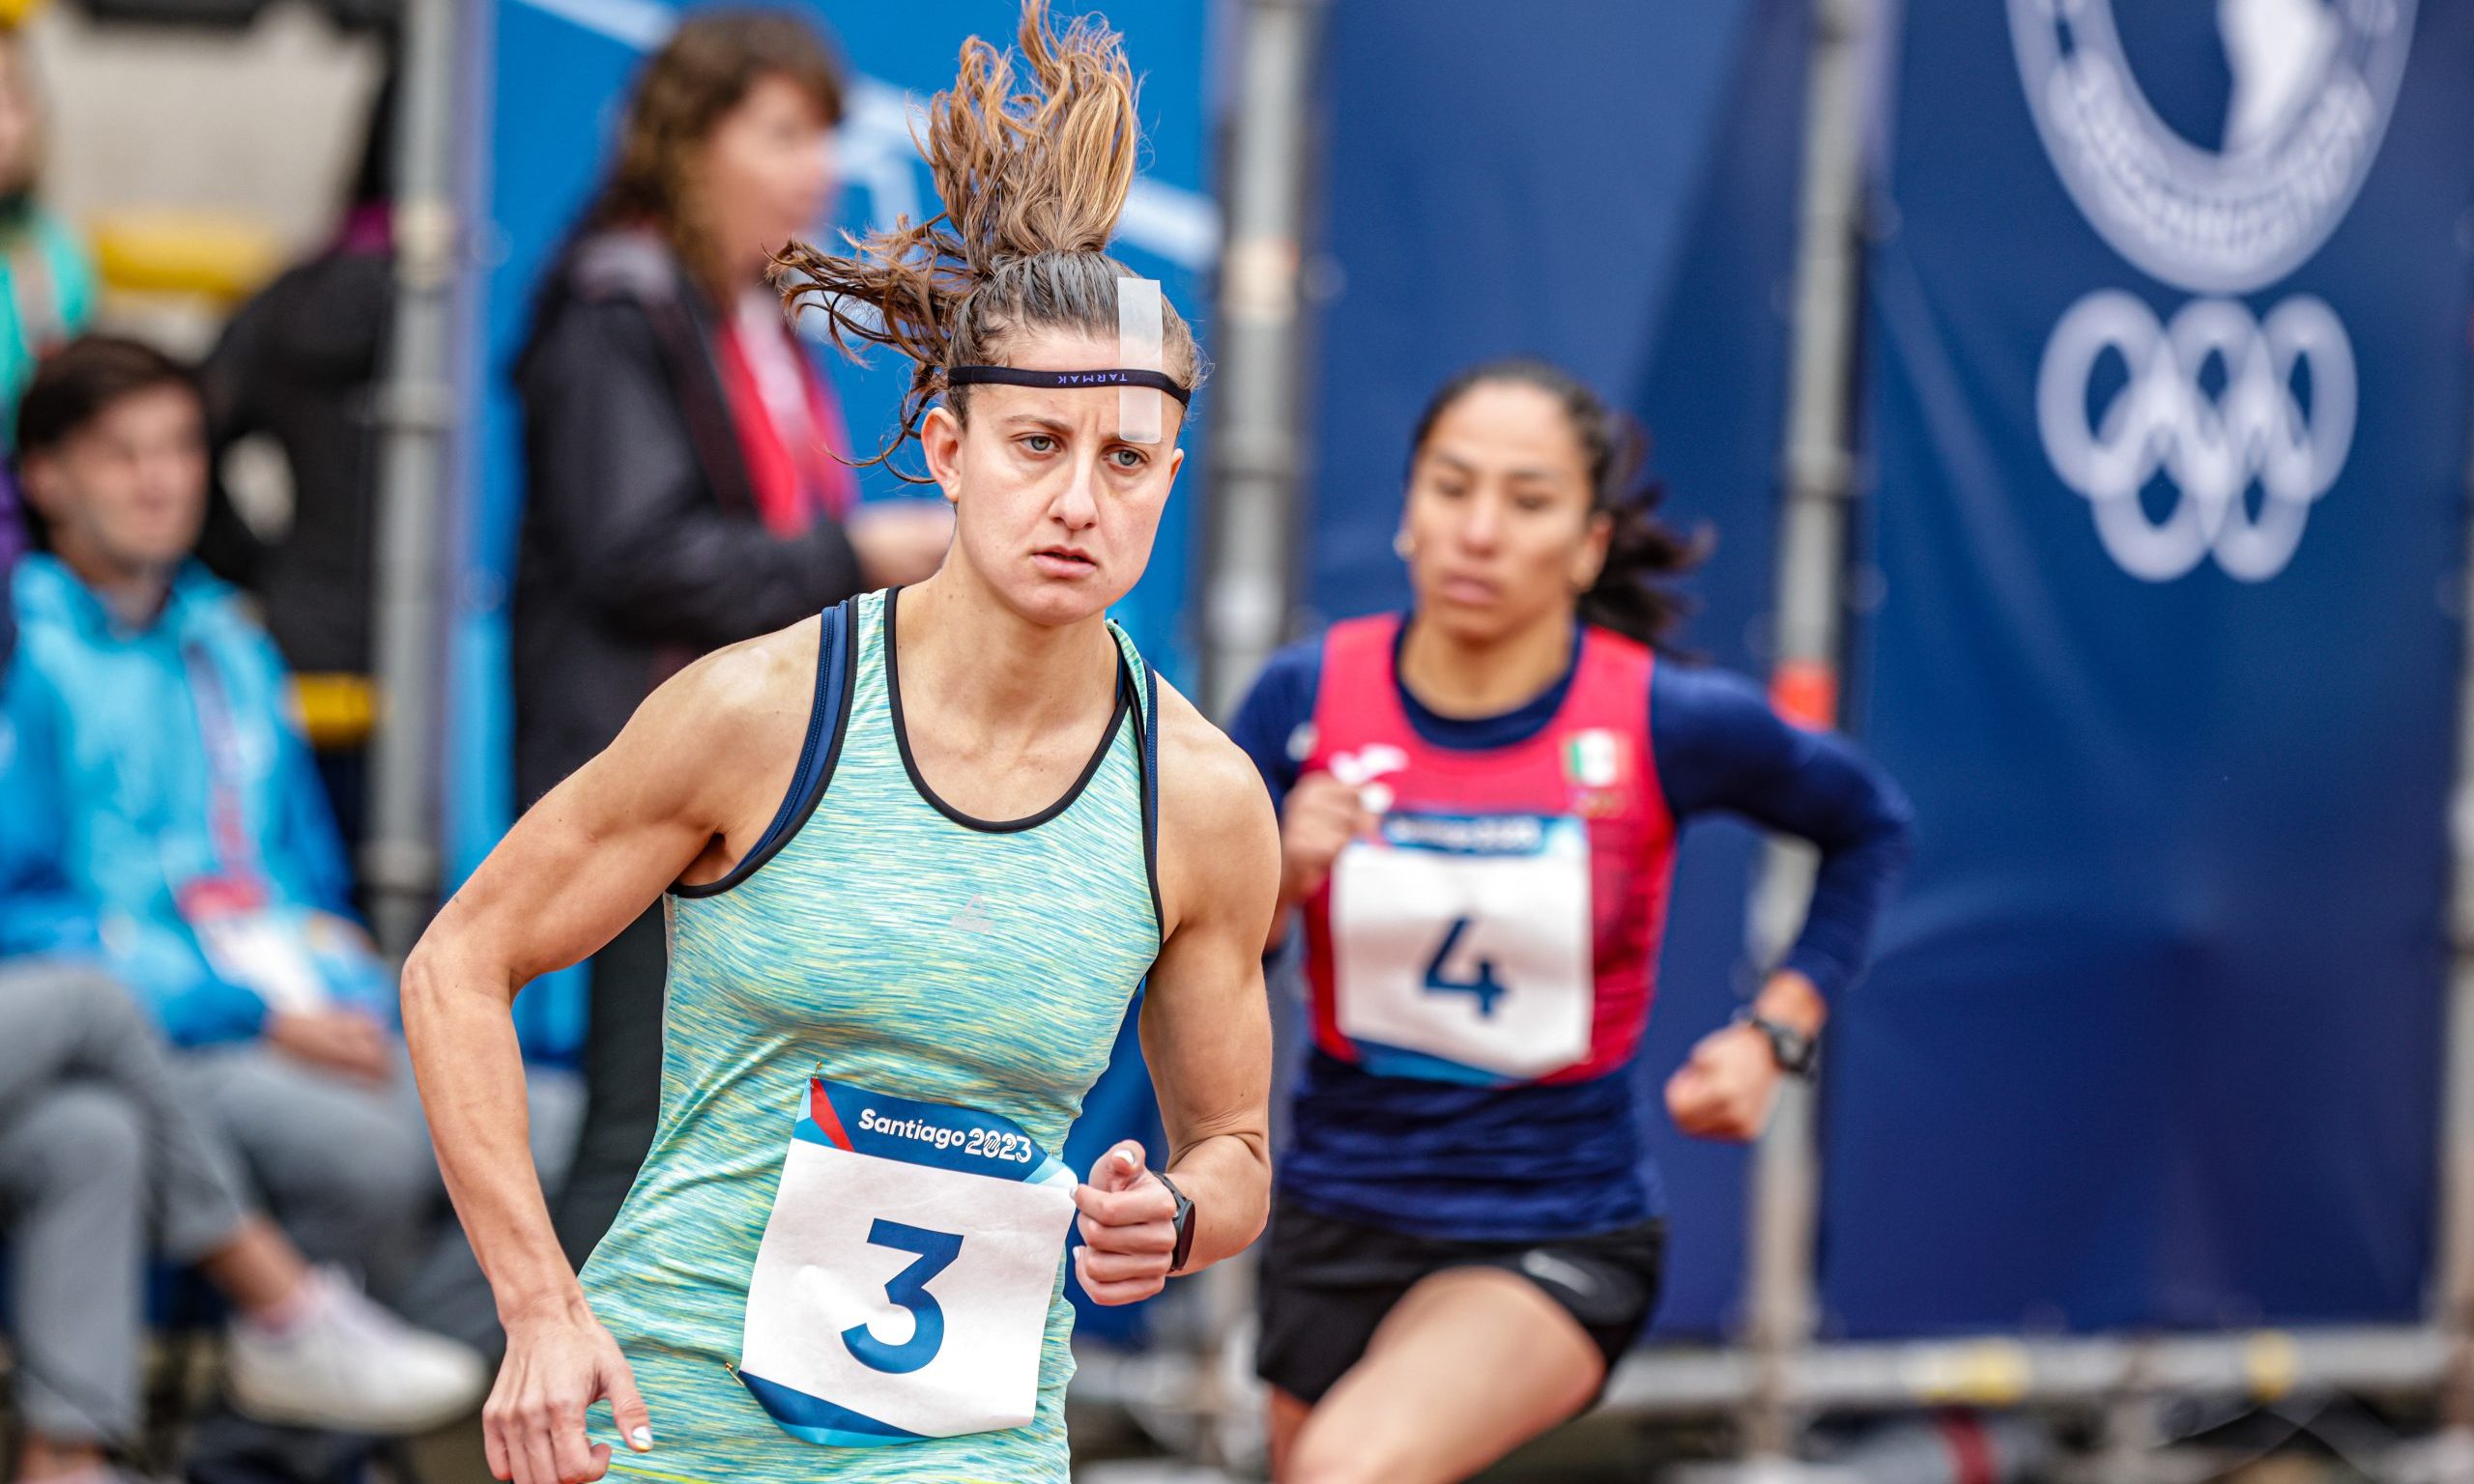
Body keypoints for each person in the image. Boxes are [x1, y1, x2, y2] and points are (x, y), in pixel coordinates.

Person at [405, 7, 1276, 1484]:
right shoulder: (763, 710)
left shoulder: (1195, 797)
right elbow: (456, 967)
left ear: (1172, 479)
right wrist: (541, 1306)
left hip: (966, 1442)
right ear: (943, 448)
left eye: (1125, 460)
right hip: (668, 1414)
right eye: (1035, 447)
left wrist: (1175, 1216)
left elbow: (1236, 1149)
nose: (1078, 501)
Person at [1230, 358, 1913, 1484]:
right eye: (1451, 489)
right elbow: (1200, 946)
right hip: (1334, 1217)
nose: (1481, 531)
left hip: (1551, 1220)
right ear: (1407, 512)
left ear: (1589, 544)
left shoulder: (1663, 717)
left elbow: (1867, 826)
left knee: (1348, 1472)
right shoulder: (1303, 700)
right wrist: (1274, 877)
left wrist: (1775, 1033)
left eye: (1529, 500)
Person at [512, 8, 954, 1262]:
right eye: (781, 134)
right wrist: (855, 553)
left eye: (823, 134)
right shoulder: (620, 310)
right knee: (642, 1134)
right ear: (685, 144)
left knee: (725, 1136)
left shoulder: (742, 308)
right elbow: (635, 556)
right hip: (651, 780)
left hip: (749, 784)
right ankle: (568, 1420)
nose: (817, 167)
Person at [0, 335, 474, 1314]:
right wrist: (254, 1014)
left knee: (562, 1127)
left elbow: (304, 878)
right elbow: (32, 923)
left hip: (292, 1006)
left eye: (179, 448)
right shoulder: (23, 649)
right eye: (121, 453)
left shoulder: (232, 637)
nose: (159, 480)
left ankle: (377, 1394)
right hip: (171, 1034)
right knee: (374, 1159)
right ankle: (270, 1446)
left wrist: (350, 1001)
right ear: (43, 477)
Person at [0, 960, 486, 1484]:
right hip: (209, 1035)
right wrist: (254, 1017)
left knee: (90, 1134)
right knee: (89, 998)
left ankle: (66, 1466)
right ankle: (287, 1314)